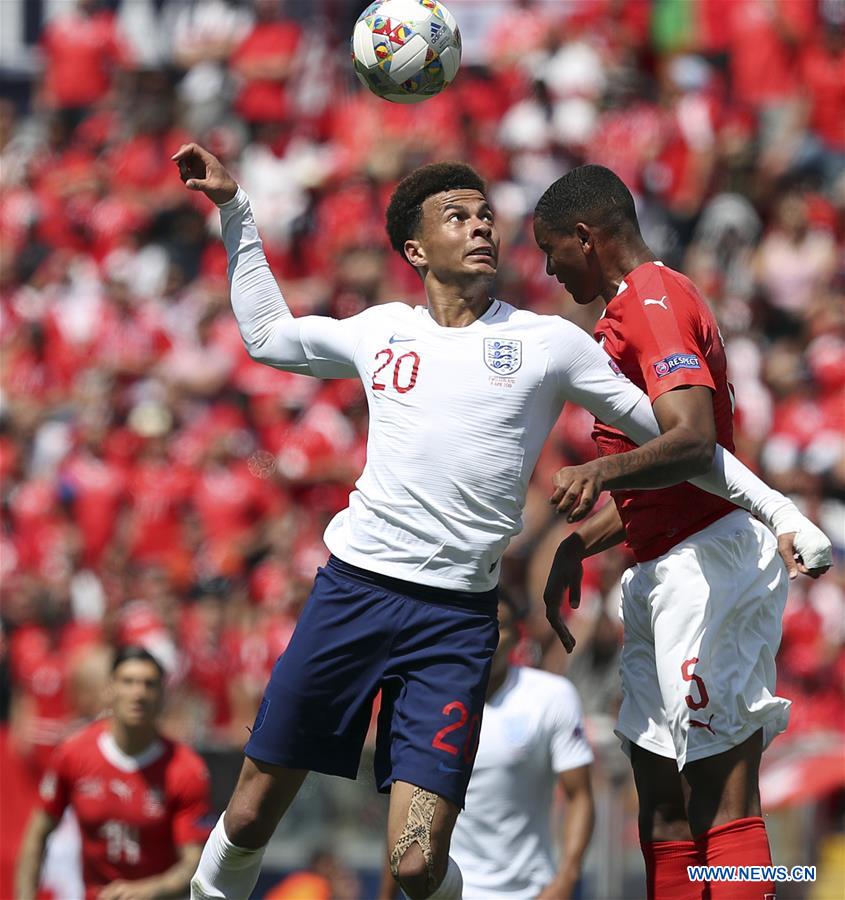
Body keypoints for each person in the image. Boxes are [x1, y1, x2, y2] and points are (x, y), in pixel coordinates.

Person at [172, 142, 827, 900]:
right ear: (415, 250)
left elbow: (686, 441)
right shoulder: (381, 331)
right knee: (250, 814)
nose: (482, 226)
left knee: (420, 863)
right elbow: (268, 337)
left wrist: (780, 510)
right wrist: (236, 208)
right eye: (458, 216)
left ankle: (774, 882)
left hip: (463, 621)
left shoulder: (554, 341)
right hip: (355, 594)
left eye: (486, 215)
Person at [532, 164, 834, 900]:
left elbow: (695, 441)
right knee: (662, 804)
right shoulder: (631, 309)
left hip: (708, 568)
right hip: (663, 566)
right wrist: (581, 541)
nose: (547, 270)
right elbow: (669, 479)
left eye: (551, 251)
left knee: (719, 798)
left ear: (585, 237)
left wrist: (600, 471)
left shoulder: (652, 304)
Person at [380, 592, 594, 900]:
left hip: (530, 891)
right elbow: (403, 813)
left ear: (517, 635)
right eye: (477, 626)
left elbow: (579, 795)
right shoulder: (428, 703)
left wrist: (567, 877)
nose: (487, 637)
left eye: (498, 627)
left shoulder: (551, 696)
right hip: (447, 889)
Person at [15, 646, 211, 900]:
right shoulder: (73, 754)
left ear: (162, 695)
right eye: (128, 682)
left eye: (149, 684)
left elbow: (194, 862)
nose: (138, 693)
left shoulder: (186, 769)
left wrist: (148, 891)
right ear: (109, 690)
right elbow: (37, 834)